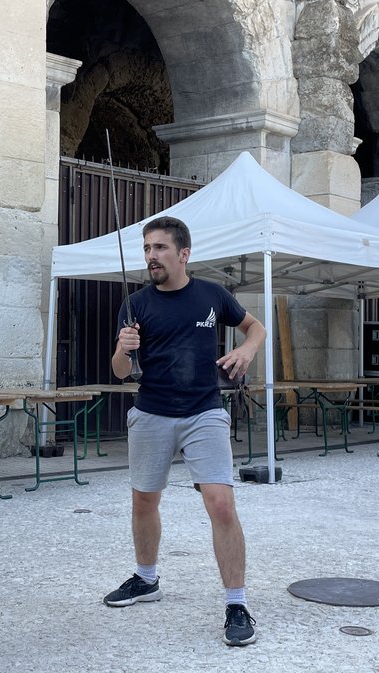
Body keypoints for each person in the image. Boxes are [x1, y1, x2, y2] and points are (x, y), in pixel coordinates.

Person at [105, 215, 267, 647]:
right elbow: (120, 373)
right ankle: (146, 579)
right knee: (144, 500)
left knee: (221, 503)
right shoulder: (135, 303)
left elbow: (255, 326)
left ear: (184, 253)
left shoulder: (212, 295)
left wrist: (247, 349)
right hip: (152, 411)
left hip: (204, 411)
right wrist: (124, 350)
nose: (151, 256)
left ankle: (236, 603)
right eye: (146, 249)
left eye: (159, 248)